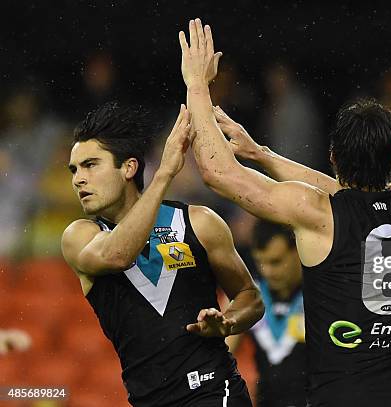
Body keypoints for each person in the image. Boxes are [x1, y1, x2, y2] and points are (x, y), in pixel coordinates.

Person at [179, 19, 391, 406]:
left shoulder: (319, 213)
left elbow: (218, 172)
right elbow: (346, 190)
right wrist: (261, 155)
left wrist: (196, 85)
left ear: (332, 158)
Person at [61, 102, 263, 406]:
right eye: (74, 169)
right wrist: (164, 174)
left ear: (129, 168)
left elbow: (250, 296)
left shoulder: (199, 222)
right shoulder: (80, 237)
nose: (78, 178)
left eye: (90, 165)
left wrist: (228, 323)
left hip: (214, 391)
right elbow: (118, 256)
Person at [227, 220, 307, 407]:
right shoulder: (251, 297)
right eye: (261, 262)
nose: (268, 272)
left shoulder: (320, 295)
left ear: (297, 251)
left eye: (276, 262)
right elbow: (223, 349)